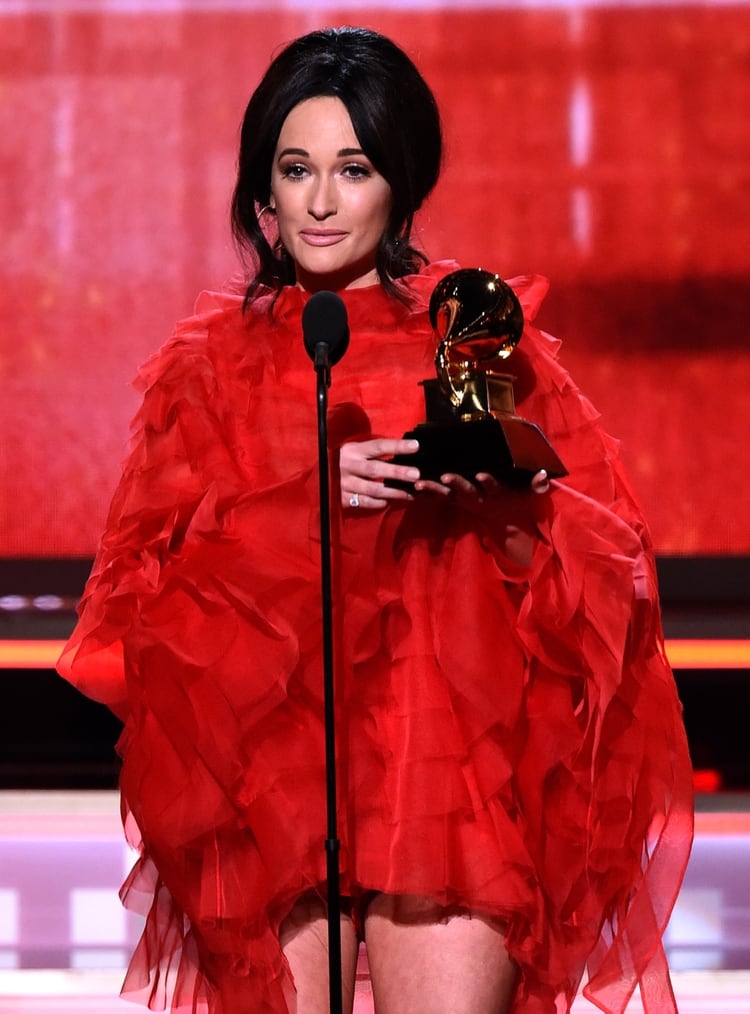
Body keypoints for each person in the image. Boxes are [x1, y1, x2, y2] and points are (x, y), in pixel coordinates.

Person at [58, 26, 694, 1014]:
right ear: (261, 190)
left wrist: (499, 506)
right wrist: (305, 501)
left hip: (450, 779)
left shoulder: (476, 338)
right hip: (271, 785)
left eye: (352, 169)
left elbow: (596, 581)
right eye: (297, 168)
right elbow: (136, 621)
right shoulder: (209, 375)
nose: (320, 202)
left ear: (399, 179)